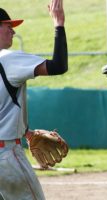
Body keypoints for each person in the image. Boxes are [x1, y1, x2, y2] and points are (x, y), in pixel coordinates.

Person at [0, 0, 68, 199]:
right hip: (6, 158)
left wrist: (26, 132)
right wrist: (59, 23)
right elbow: (58, 66)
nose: (12, 31)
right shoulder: (7, 59)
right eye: (7, 26)